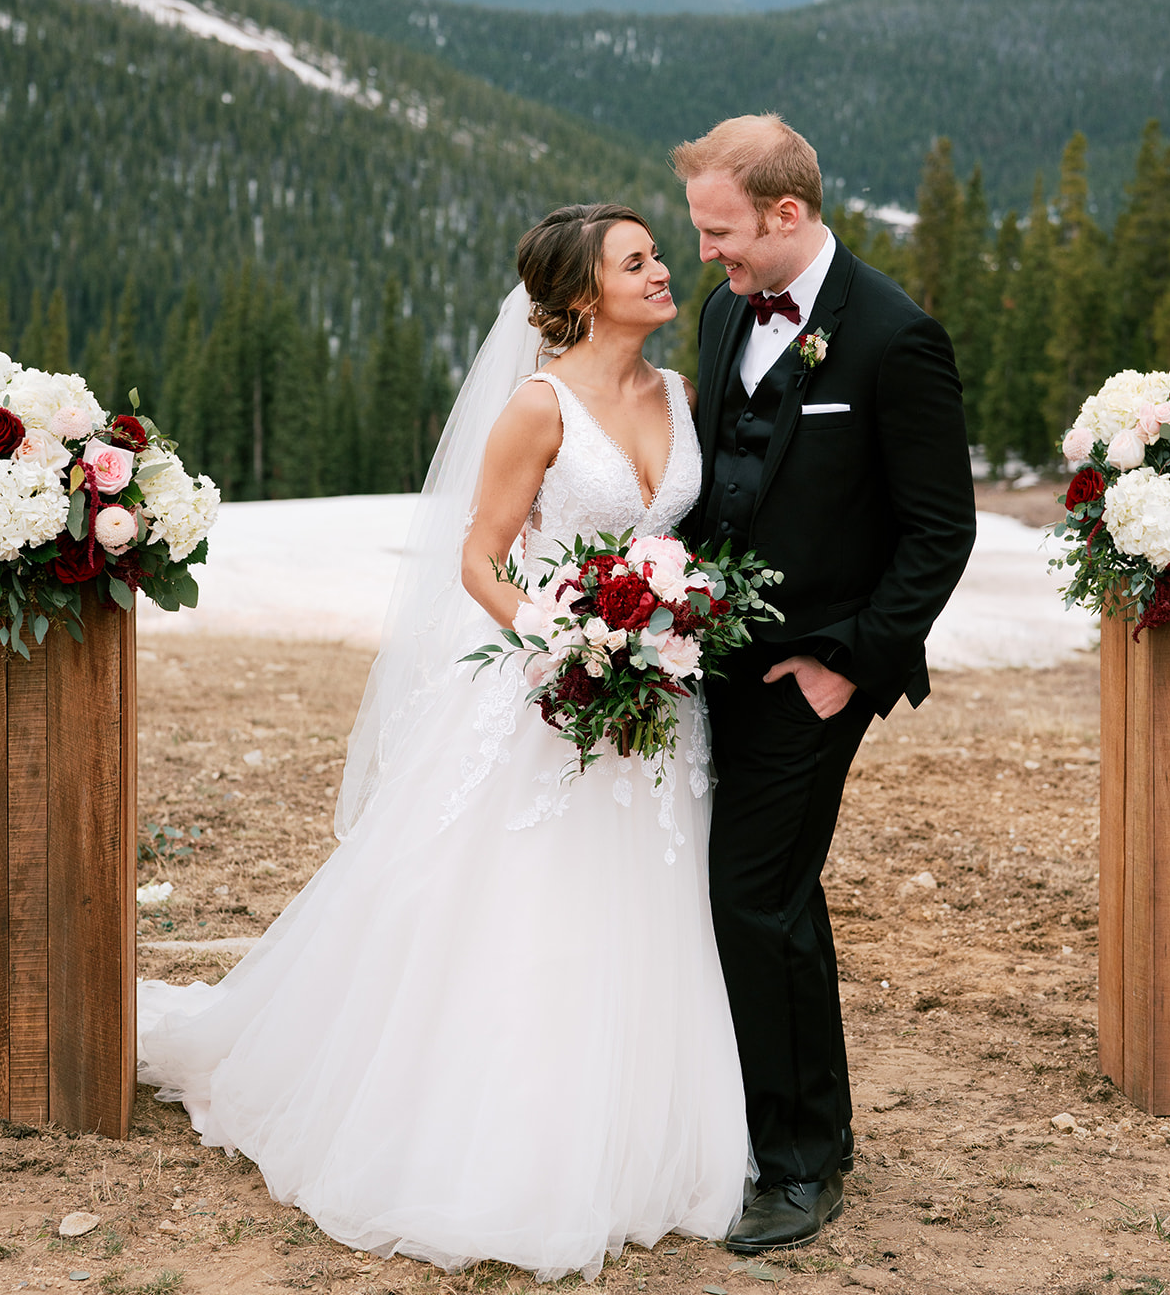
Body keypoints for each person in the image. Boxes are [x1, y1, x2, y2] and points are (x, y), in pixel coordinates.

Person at [136, 202, 750, 1282]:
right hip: (551, 689)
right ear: (576, 297)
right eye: (637, 261)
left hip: (659, 700)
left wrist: (665, 625)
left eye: (658, 255)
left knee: (643, 902)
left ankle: (636, 1137)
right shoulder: (536, 407)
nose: (665, 273)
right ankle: (498, 1140)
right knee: (525, 903)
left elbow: (682, 540)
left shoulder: (682, 395)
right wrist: (565, 640)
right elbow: (480, 559)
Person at [673, 115, 976, 1252]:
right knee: (774, 893)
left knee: (751, 893)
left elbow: (938, 532)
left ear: (786, 214)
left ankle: (797, 1167)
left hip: (814, 675)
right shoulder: (718, 315)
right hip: (707, 667)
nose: (706, 253)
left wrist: (847, 665)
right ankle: (813, 1128)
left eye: (721, 232)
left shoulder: (893, 336)